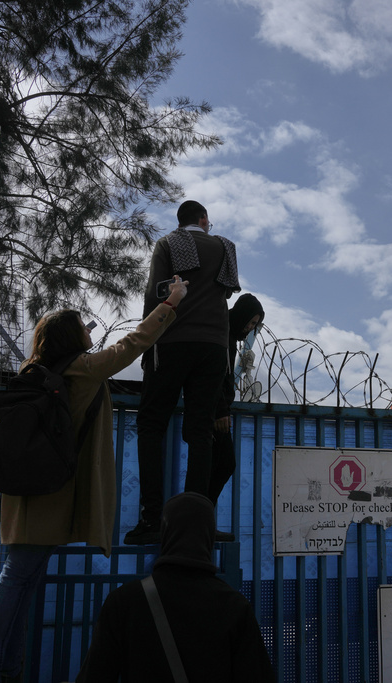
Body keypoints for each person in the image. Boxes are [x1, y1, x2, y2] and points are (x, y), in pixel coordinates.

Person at [0, 276, 188, 683]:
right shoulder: (81, 370)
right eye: (82, 326)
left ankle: (5, 672)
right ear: (71, 336)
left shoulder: (38, 370)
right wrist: (169, 304)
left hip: (26, 494)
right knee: (13, 584)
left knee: (22, 586)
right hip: (46, 495)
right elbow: (131, 345)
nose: (89, 331)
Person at [126, 200, 240, 545]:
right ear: (203, 219)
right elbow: (226, 292)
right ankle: (195, 523)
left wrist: (148, 345)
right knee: (200, 432)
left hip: (173, 340)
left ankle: (150, 520)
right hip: (213, 347)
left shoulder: (167, 244)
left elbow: (154, 294)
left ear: (181, 221)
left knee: (151, 425)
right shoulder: (225, 247)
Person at [76, 492, 275, 682]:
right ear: (209, 536)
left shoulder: (124, 602)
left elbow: (95, 675)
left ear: (166, 533)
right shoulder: (234, 606)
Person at [207, 294, 265, 512]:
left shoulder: (229, 336)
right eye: (250, 322)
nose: (250, 328)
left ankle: (204, 517)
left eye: (255, 325)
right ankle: (201, 517)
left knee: (220, 466)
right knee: (220, 465)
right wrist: (221, 410)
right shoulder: (222, 333)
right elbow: (215, 374)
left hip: (219, 410)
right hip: (215, 412)